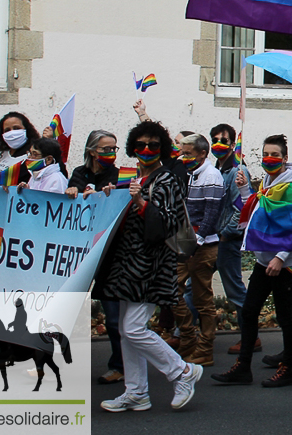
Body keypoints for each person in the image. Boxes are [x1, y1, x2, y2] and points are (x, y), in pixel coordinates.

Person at [93, 121, 202, 412]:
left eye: (153, 145)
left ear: (162, 148)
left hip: (152, 264)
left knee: (132, 329)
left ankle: (182, 372)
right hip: (129, 264)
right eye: (140, 145)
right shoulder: (132, 176)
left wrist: (140, 201)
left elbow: (167, 222)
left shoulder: (167, 179)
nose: (146, 150)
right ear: (132, 148)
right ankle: (136, 392)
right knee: (127, 330)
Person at [212, 135, 292, 387]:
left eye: (274, 155)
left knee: (285, 317)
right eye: (265, 155)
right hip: (263, 262)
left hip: (282, 265)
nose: (269, 159)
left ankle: (288, 368)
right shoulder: (269, 184)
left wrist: (281, 257)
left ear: (284, 158)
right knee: (249, 312)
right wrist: (243, 190)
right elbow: (257, 212)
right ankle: (243, 367)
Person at [66, 129, 123, 384]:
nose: (111, 153)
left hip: (108, 253)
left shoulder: (117, 174)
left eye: (114, 148)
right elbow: (73, 199)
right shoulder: (79, 173)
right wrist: (73, 194)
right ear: (92, 151)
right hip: (79, 253)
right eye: (105, 149)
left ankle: (119, 365)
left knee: (113, 317)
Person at [172, 134, 224, 367]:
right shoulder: (190, 174)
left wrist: (198, 242)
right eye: (182, 153)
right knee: (171, 290)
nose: (184, 157)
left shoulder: (212, 176)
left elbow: (212, 213)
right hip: (185, 243)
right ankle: (188, 338)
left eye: (188, 154)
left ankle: (205, 348)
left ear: (203, 153)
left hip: (203, 246)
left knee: (203, 299)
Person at [208, 124, 254, 356]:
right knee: (192, 287)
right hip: (210, 240)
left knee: (235, 290)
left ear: (233, 143)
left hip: (226, 240)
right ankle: (183, 335)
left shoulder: (238, 171)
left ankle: (250, 337)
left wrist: (226, 233)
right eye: (215, 139)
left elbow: (242, 207)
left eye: (223, 140)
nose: (219, 144)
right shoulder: (213, 169)